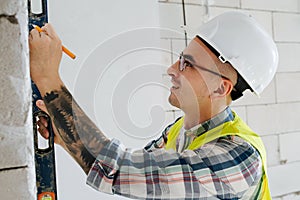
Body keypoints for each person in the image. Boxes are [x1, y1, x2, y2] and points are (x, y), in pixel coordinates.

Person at [29, 11, 278, 199]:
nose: (171, 69)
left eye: (187, 64)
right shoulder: (178, 131)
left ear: (220, 88)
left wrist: (48, 77)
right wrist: (67, 137)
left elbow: (119, 170)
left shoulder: (239, 157)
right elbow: (137, 176)